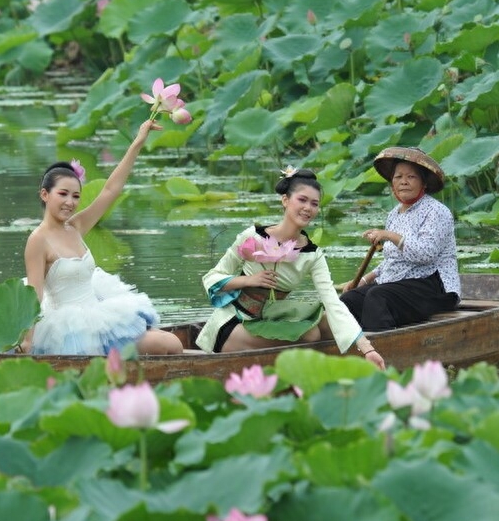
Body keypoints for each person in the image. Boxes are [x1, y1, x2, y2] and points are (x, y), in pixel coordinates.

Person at [22, 119, 183, 356]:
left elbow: (110, 190)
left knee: (172, 343)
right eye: (63, 194)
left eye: (76, 196)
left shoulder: (75, 226)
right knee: (169, 345)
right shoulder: (38, 240)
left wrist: (137, 142)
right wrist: (27, 342)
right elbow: (33, 296)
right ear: (45, 194)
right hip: (70, 330)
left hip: (100, 314)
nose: (70, 202)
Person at [195, 168, 386, 368]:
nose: (308, 208)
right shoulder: (253, 236)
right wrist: (249, 280)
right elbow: (212, 277)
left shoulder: (313, 254)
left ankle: (354, 364)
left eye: (314, 204)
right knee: (311, 334)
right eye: (302, 200)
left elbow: (332, 302)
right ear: (285, 200)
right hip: (235, 324)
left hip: (273, 319)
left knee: (329, 322)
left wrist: (367, 348)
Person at [340, 147, 461, 330]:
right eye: (398, 177)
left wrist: (389, 235)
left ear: (424, 183)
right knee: (350, 299)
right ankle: (356, 345)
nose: (404, 182)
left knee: (378, 297)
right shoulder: (394, 214)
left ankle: (381, 349)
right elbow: (393, 260)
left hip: (433, 285)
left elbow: (425, 254)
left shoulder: (436, 211)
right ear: (392, 184)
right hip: (399, 283)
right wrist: (365, 280)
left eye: (411, 177)